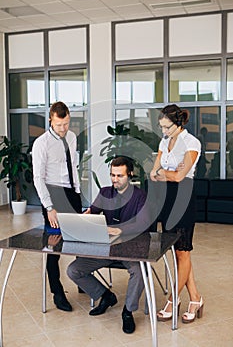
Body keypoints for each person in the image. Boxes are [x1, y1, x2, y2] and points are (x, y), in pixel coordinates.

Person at [67, 156, 150, 334]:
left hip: (131, 249)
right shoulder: (105, 193)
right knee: (73, 270)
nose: (115, 179)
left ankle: (128, 312)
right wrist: (86, 215)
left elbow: (143, 223)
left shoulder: (140, 196)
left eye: (120, 175)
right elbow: (93, 211)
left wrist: (120, 230)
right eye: (112, 175)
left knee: (139, 271)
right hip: (106, 248)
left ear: (130, 174)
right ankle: (105, 296)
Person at [150, 104, 204, 324]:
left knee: (183, 251)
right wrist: (165, 173)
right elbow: (154, 173)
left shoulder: (192, 143)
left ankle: (173, 300)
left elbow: (181, 176)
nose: (164, 132)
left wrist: (167, 173)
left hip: (183, 198)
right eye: (161, 127)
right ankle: (196, 298)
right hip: (166, 199)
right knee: (178, 252)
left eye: (167, 127)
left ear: (179, 123)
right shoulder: (164, 141)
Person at [32, 101, 82, 312]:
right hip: (53, 195)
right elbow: (38, 178)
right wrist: (49, 207)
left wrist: (78, 192)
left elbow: (73, 166)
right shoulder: (41, 143)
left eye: (66, 123)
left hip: (71, 193)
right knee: (54, 245)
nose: (63, 129)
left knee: (82, 238)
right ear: (51, 120)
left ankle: (83, 280)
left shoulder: (71, 137)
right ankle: (57, 293)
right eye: (59, 124)